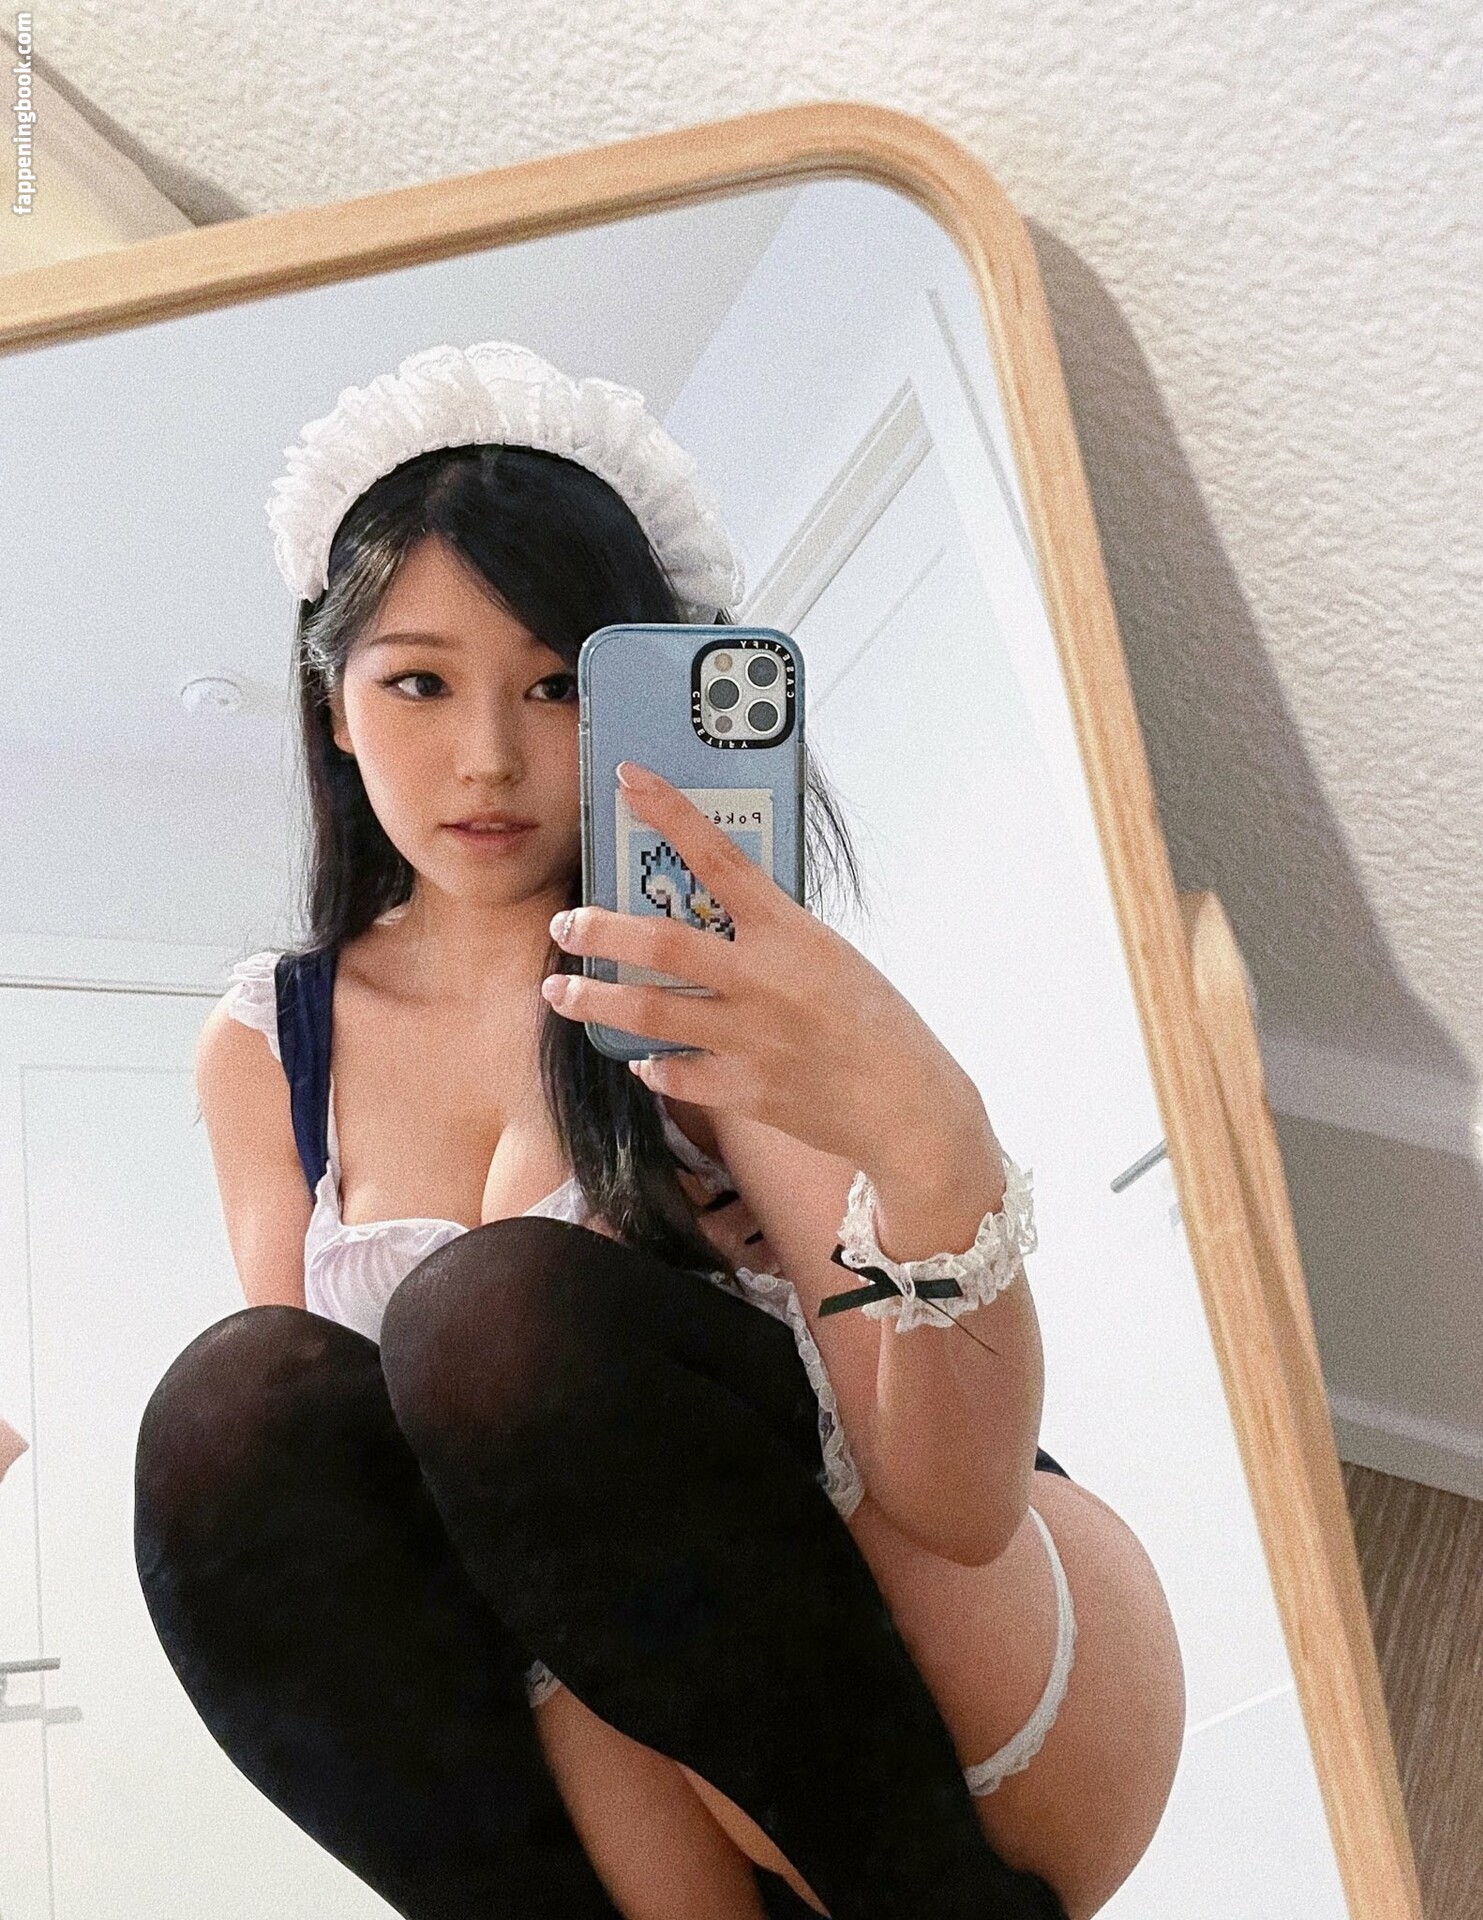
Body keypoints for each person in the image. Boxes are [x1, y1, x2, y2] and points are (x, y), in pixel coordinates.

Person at [133, 342, 1184, 1920]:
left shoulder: (699, 966)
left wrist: (927, 1138)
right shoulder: (261, 1048)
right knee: (234, 1416)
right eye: (419, 682)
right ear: (331, 706)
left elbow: (954, 1501)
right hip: (611, 1735)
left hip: (926, 1671)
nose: (489, 758)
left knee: (490, 1319)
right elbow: (347, 1522)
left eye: (557, 683)